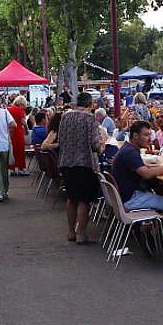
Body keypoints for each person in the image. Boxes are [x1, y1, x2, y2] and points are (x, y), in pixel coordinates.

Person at [112, 122, 163, 221]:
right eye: (146, 135)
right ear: (135, 135)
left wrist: (160, 166)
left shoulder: (127, 148)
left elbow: (142, 166)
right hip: (132, 198)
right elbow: (146, 174)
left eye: (150, 135)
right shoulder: (130, 152)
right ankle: (148, 230)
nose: (150, 139)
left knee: (161, 192)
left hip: (125, 196)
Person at [60, 93, 105, 244]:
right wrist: (101, 146)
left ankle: (70, 231)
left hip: (66, 161)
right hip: (85, 162)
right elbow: (94, 143)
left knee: (71, 197)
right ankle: (81, 234)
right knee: (84, 200)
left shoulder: (65, 116)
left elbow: (60, 139)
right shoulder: (89, 118)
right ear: (90, 105)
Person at [7, 95, 29, 177]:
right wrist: (26, 129)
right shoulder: (20, 110)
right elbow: (23, 122)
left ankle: (12, 168)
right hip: (18, 131)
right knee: (20, 150)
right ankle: (21, 168)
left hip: (10, 131)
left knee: (12, 150)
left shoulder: (9, 109)